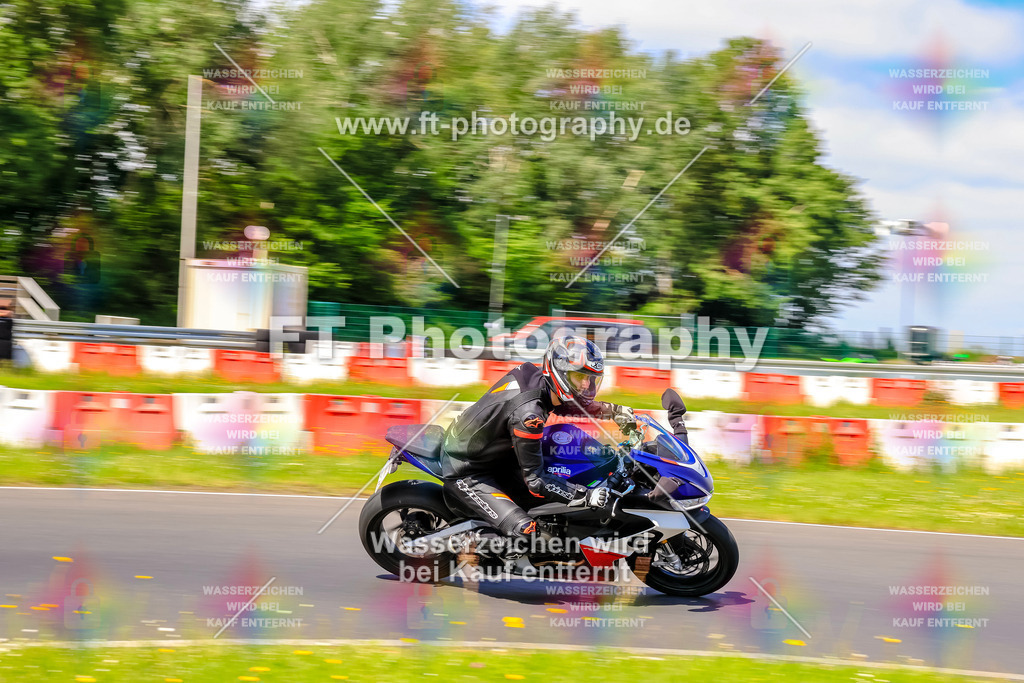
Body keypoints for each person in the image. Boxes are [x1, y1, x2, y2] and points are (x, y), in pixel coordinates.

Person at [438, 335, 637, 549]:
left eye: (591, 378)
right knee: (527, 534)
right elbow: (536, 482)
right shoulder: (528, 416)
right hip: (468, 470)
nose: (586, 384)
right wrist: (586, 496)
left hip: (495, 455)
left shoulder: (537, 378)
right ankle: (463, 543)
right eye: (580, 376)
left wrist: (613, 411)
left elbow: (567, 404)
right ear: (560, 373)